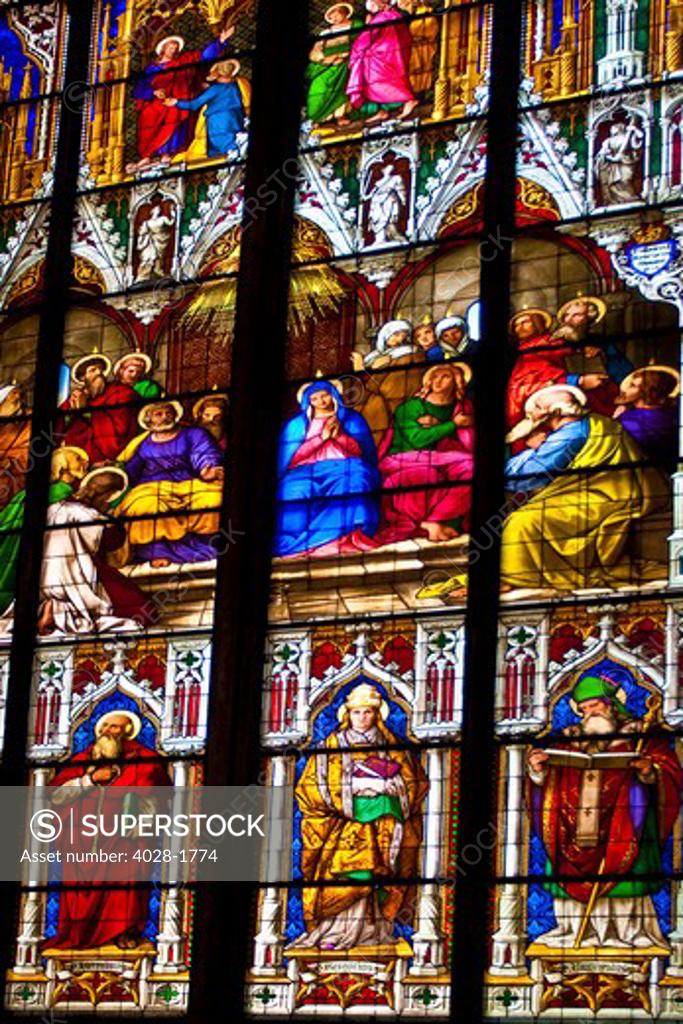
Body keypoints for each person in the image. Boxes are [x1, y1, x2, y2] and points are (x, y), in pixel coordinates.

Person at [527, 667, 681, 948]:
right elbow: (546, 785)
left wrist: (649, 771)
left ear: (611, 705)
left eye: (594, 706)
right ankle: (575, 930)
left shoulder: (640, 735)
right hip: (571, 828)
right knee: (567, 871)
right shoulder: (569, 738)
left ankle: (628, 933)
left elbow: (670, 773)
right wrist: (539, 771)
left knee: (627, 878)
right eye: (583, 709)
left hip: (626, 822)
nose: (589, 714)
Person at [290, 683, 428, 951]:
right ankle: (333, 930)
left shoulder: (391, 746)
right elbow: (309, 790)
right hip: (338, 830)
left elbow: (414, 785)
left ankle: (374, 931)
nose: (362, 717)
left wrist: (388, 786)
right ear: (347, 714)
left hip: (384, 829)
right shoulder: (331, 745)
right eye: (357, 712)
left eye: (368, 712)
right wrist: (352, 789)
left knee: (377, 875)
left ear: (377, 714)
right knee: (342, 874)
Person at [45, 709, 171, 950]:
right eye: (104, 727)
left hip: (123, 841)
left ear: (128, 732)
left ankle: (124, 931)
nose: (106, 732)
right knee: (75, 889)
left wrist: (139, 823)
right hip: (80, 840)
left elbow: (156, 797)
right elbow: (56, 795)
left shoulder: (144, 760)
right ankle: (78, 934)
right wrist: (90, 780)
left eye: (114, 727)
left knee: (124, 886)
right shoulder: (83, 760)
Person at [35, 467, 153, 636]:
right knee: (143, 609)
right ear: (107, 495)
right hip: (74, 576)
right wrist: (112, 520)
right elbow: (112, 541)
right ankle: (56, 610)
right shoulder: (87, 514)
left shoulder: (52, 508)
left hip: (43, 577)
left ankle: (50, 607)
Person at [274, 380, 380, 558]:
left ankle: (348, 537)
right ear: (308, 402)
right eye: (314, 398)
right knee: (292, 491)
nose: (321, 401)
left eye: (324, 395)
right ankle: (297, 542)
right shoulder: (296, 426)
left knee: (355, 480)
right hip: (303, 472)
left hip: (344, 466)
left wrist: (338, 437)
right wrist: (321, 439)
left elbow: (362, 452)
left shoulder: (351, 419)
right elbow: (292, 458)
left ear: (334, 396)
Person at [116, 400, 225, 567]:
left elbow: (204, 453)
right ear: (148, 419)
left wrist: (206, 469)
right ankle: (158, 551)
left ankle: (210, 543)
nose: (165, 417)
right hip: (152, 487)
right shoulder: (141, 444)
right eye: (159, 414)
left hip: (191, 483)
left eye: (169, 413)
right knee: (145, 506)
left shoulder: (193, 434)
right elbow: (130, 471)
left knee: (214, 500)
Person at [377, 363, 473, 542]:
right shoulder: (412, 407)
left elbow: (468, 439)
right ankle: (425, 524)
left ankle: (439, 519)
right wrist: (453, 425)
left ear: (457, 382)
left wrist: (457, 425)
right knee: (426, 475)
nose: (438, 381)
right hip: (403, 458)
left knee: (470, 468)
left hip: (443, 458)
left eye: (445, 377)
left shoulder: (462, 408)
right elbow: (417, 439)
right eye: (435, 376)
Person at [128, 26, 235, 172]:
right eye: (170, 47)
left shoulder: (184, 61)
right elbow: (139, 88)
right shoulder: (152, 69)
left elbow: (204, 56)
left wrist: (220, 42)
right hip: (155, 103)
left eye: (175, 47)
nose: (173, 50)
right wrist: (153, 92)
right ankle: (147, 155)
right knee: (148, 116)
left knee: (175, 115)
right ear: (163, 49)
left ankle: (166, 154)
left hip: (175, 101)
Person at [0, 446, 89, 617]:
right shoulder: (58, 494)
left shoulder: (33, 494)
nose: (85, 463)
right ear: (62, 466)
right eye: (78, 459)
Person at [506, 309, 608, 436]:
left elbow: (563, 352)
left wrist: (584, 350)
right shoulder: (520, 352)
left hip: (547, 390)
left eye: (525, 322)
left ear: (537, 323)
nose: (519, 328)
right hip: (524, 395)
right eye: (516, 325)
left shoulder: (549, 343)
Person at [57, 353, 139, 464]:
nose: (99, 373)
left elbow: (120, 430)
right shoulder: (77, 396)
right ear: (82, 377)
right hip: (74, 458)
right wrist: (72, 412)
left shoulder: (120, 392)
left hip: (103, 458)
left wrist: (86, 411)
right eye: (93, 370)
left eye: (101, 369)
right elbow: (56, 425)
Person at [347, 0, 418, 124]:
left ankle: (409, 100)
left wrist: (356, 53)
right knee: (375, 80)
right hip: (391, 53)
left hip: (384, 56)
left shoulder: (384, 17)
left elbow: (367, 37)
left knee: (380, 80)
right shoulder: (393, 15)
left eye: (374, 4)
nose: (372, 8)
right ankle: (382, 110)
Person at [165, 59, 245, 157]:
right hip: (235, 120)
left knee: (222, 149)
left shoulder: (215, 89)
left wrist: (176, 102)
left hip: (219, 122)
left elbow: (194, 105)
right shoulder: (234, 87)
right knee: (234, 146)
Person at [306, 3, 361, 127]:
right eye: (331, 17)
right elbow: (315, 51)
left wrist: (343, 55)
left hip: (347, 62)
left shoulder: (354, 26)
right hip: (325, 65)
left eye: (336, 15)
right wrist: (325, 59)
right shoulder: (326, 32)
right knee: (317, 87)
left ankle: (340, 116)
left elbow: (360, 43)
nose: (334, 18)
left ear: (344, 13)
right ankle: (317, 117)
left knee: (342, 87)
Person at [614, 365, 679, 466]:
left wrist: (615, 420)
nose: (625, 389)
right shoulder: (672, 414)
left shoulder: (629, 420)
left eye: (632, 386)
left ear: (648, 392)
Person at [595, 117, 644, 205]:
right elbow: (602, 153)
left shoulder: (628, 136)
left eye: (613, 128)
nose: (611, 130)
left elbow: (639, 140)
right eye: (611, 128)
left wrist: (634, 129)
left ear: (619, 128)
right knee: (612, 184)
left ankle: (630, 198)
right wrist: (608, 156)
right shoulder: (608, 141)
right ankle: (614, 201)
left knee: (625, 180)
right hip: (612, 166)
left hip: (626, 162)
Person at [0, 382, 31, 508]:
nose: (17, 396)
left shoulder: (29, 418)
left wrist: (9, 461)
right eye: (12, 393)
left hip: (17, 474)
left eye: (19, 394)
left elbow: (30, 451)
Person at [398, 0, 438, 96]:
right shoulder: (410, 13)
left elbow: (430, 31)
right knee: (413, 70)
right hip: (413, 47)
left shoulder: (427, 13)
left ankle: (421, 92)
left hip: (424, 47)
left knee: (423, 70)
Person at [363, 163, 408, 246]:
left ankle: (390, 236)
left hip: (389, 200)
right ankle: (379, 239)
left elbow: (400, 189)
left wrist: (403, 198)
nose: (390, 168)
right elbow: (372, 193)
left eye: (391, 168)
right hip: (377, 202)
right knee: (377, 219)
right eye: (387, 168)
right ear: (383, 171)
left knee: (388, 219)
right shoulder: (378, 182)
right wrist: (365, 197)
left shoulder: (395, 178)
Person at [134, 203, 175, 281]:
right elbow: (143, 232)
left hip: (160, 240)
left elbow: (170, 223)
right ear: (152, 212)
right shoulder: (147, 222)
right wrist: (142, 238)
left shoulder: (163, 219)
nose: (158, 210)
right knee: (148, 257)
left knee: (158, 257)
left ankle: (157, 270)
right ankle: (144, 273)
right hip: (150, 241)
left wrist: (173, 214)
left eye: (159, 210)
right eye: (156, 209)